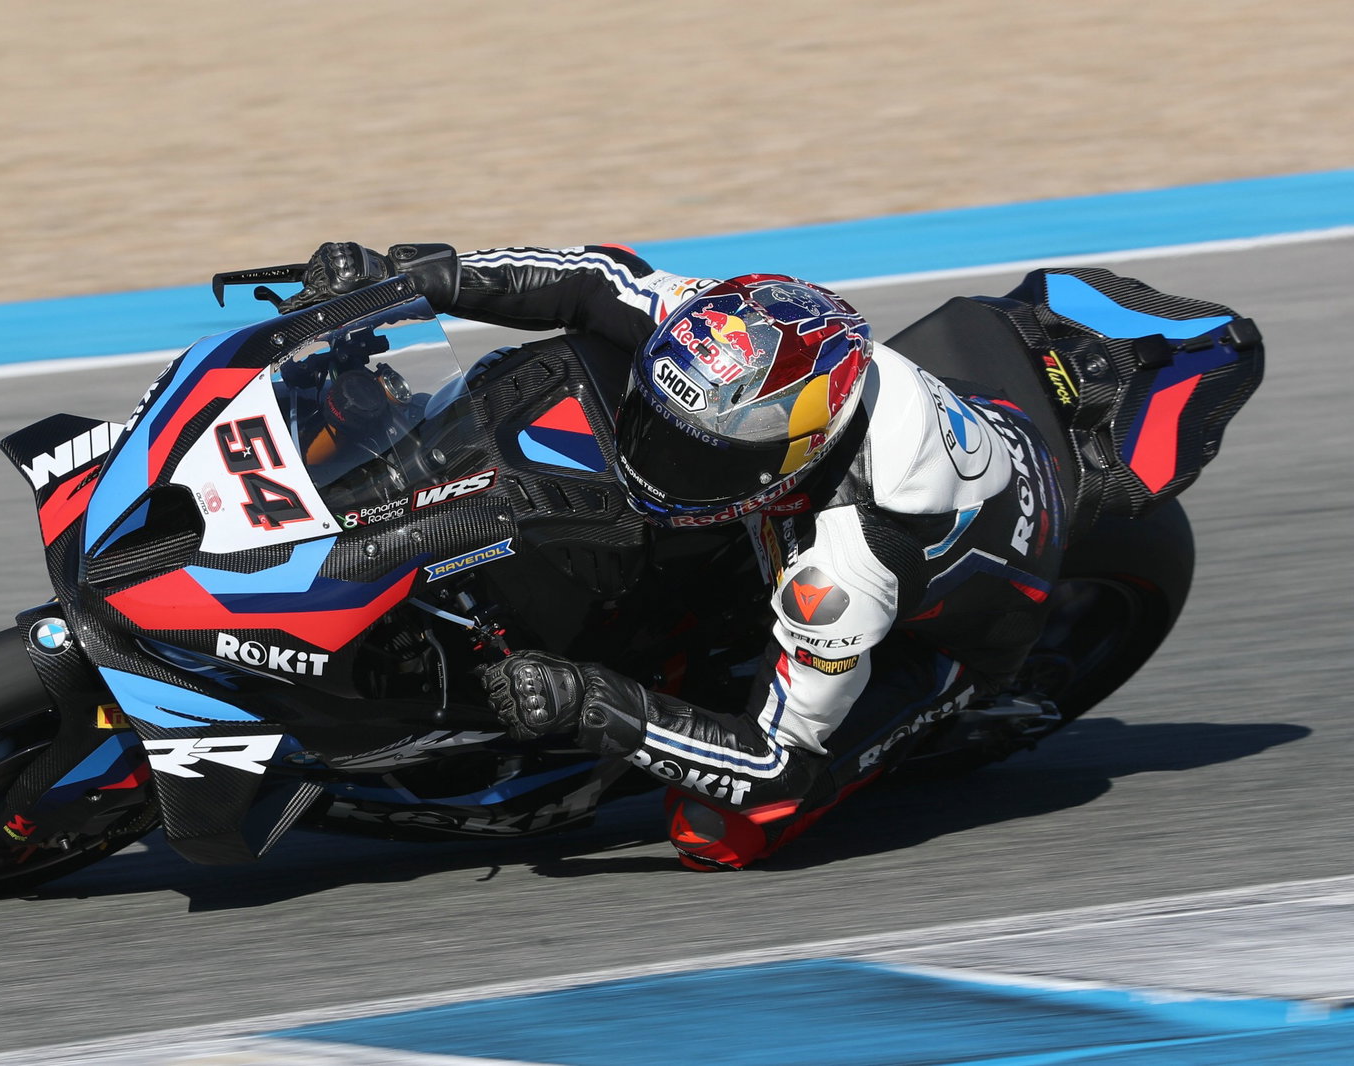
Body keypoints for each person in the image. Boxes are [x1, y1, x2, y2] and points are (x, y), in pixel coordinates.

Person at [284, 241, 1068, 870]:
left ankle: (943, 702)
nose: (654, 461)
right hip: (906, 447)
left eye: (696, 459)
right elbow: (597, 278)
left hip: (955, 628)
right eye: (657, 426)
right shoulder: (719, 334)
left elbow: (774, 762)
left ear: (796, 458)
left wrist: (596, 704)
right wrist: (413, 276)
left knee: (719, 831)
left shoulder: (844, 570)